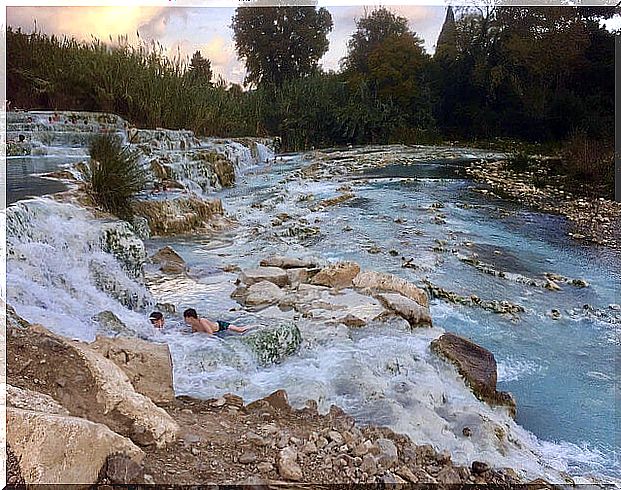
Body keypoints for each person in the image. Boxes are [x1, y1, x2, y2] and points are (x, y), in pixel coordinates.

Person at [183, 308, 249, 335]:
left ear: (191, 317)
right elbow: (194, 334)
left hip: (221, 326)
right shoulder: (194, 325)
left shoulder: (202, 321)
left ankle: (256, 326)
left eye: (185, 318)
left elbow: (210, 333)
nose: (185, 320)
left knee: (240, 330)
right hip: (218, 332)